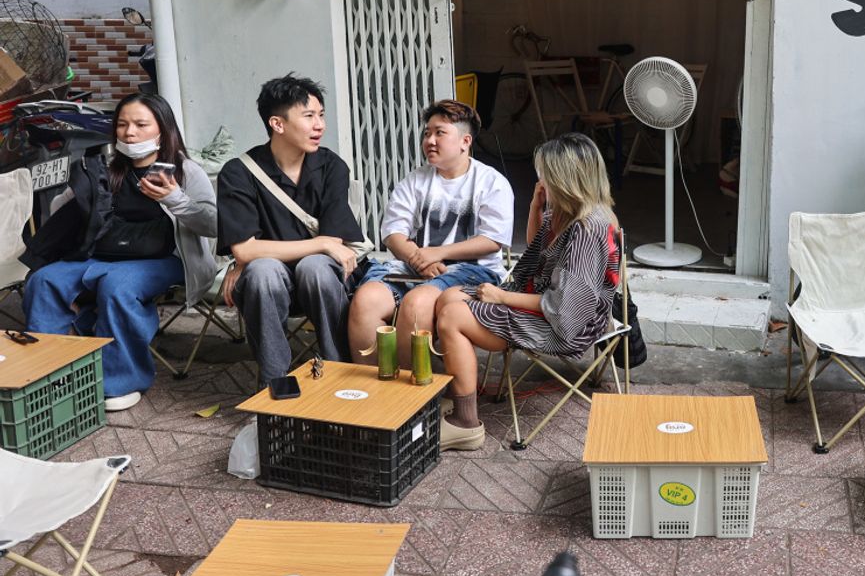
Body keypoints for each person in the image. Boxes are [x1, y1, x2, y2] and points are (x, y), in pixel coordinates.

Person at [22, 93, 217, 412]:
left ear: (162, 130)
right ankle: (48, 374)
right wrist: (81, 193)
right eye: (123, 125)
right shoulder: (107, 168)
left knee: (118, 285)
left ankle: (121, 381)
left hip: (165, 260)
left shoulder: (184, 170)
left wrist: (175, 198)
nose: (130, 133)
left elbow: (212, 224)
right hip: (102, 255)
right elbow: (69, 213)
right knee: (44, 280)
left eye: (141, 124)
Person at [434, 133, 620, 451]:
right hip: (540, 300)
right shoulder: (563, 211)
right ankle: (459, 396)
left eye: (545, 173)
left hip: (569, 326)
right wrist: (536, 207)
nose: (540, 179)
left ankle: (465, 423)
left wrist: (502, 297)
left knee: (453, 315)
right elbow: (538, 253)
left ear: (566, 179)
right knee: (447, 297)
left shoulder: (589, 228)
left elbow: (567, 309)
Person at [217, 74, 365, 385]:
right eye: (309, 116)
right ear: (277, 124)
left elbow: (333, 242)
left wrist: (256, 253)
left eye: (321, 115)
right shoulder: (239, 172)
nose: (319, 125)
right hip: (267, 289)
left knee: (314, 268)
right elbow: (245, 249)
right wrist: (321, 243)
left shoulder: (332, 167)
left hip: (320, 282)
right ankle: (276, 385)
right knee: (262, 271)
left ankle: (340, 375)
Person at [348, 100, 513, 368]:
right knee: (365, 300)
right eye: (427, 133)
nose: (430, 140)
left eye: (440, 133)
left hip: (474, 271)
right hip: (415, 265)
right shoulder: (416, 180)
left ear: (465, 141)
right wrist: (418, 259)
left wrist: (439, 253)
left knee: (416, 303)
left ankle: (414, 398)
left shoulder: (491, 182)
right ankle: (377, 393)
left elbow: (492, 241)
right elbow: (392, 232)